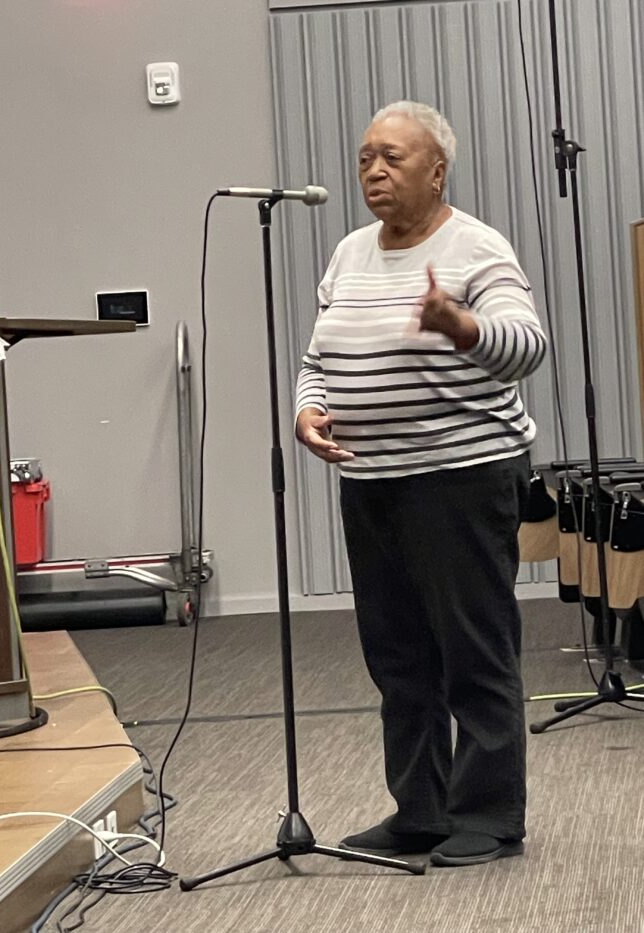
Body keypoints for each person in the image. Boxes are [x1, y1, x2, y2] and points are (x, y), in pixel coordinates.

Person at [295, 100, 547, 868]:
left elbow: (528, 346)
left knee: (473, 649)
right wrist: (309, 408)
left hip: (461, 478)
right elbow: (318, 357)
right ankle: (421, 809)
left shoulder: (476, 248)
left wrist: (461, 325)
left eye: (393, 157)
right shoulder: (347, 253)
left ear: (437, 169)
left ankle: (489, 814)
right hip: (372, 483)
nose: (373, 169)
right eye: (366, 155)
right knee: (398, 654)